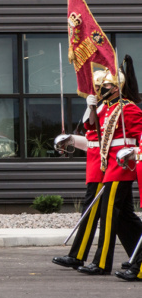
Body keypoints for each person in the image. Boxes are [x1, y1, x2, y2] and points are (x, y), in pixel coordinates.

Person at [78, 69, 142, 276]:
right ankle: (136, 257)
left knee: (108, 217)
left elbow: (139, 137)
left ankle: (102, 262)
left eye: (104, 86)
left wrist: (132, 152)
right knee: (124, 217)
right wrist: (91, 107)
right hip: (108, 165)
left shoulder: (129, 109)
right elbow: (90, 127)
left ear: (116, 87)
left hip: (121, 167)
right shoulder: (106, 107)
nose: (100, 89)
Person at [51, 94, 104, 270]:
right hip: (97, 167)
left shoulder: (118, 109)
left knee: (96, 214)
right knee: (122, 218)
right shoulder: (104, 107)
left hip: (105, 169)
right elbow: (93, 138)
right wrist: (72, 140)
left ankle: (78, 255)